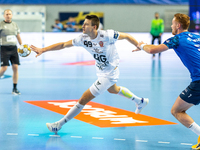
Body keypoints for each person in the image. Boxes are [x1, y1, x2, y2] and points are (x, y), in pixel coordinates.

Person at [30, 15, 149, 134]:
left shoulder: (107, 35)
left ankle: (59, 124)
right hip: (101, 70)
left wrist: (139, 46)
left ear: (94, 27)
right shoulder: (83, 38)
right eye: (83, 23)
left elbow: (127, 36)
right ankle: (140, 101)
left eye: (86, 24)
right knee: (113, 90)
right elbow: (63, 44)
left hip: (110, 73)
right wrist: (43, 50)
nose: (83, 26)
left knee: (83, 98)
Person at [133, 13, 200, 150]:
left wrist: (142, 45)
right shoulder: (197, 36)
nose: (171, 26)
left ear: (178, 25)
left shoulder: (176, 39)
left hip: (199, 81)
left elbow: (152, 49)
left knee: (177, 110)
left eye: (172, 23)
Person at [0, 9, 22, 95]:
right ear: (4, 15)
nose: (8, 15)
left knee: (15, 67)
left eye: (9, 14)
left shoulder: (15, 25)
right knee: (4, 68)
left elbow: (18, 35)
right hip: (4, 48)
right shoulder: (1, 24)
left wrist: (22, 45)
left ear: (12, 15)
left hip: (14, 49)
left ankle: (15, 88)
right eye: (6, 14)